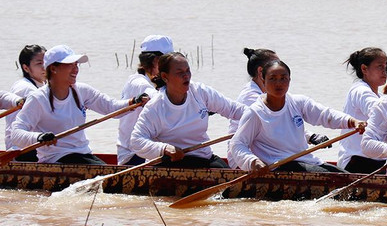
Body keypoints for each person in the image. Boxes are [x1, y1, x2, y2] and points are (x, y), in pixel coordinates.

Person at [11, 45, 147, 165]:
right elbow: (16, 133)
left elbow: (111, 107)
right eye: (70, 65)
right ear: (53, 69)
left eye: (76, 65)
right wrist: (38, 137)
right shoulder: (38, 98)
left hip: (83, 154)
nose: (76, 69)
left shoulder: (82, 90)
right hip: (55, 158)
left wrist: (134, 102)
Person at [230, 59, 366, 173]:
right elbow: (237, 144)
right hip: (278, 166)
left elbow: (325, 115)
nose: (279, 83)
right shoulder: (255, 113)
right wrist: (253, 162)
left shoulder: (298, 102)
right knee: (340, 181)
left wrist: (352, 121)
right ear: (263, 80)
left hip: (305, 160)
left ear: (290, 80)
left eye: (283, 78)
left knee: (345, 176)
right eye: (272, 79)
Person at [131, 52, 246, 168]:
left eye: (188, 71)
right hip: (169, 163)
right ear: (165, 77)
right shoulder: (155, 107)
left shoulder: (200, 91)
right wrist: (164, 148)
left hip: (202, 158)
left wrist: (260, 114)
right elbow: (136, 140)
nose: (186, 76)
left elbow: (233, 109)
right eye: (180, 73)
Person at [116, 35, 174, 165]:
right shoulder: (138, 83)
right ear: (154, 60)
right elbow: (161, 101)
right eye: (167, 61)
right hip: (133, 155)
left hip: (151, 151)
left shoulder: (159, 82)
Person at [337, 47, 387, 173]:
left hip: (374, 160)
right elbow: (377, 111)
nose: (385, 70)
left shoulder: (380, 97)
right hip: (355, 162)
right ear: (364, 69)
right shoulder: (360, 90)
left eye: (386, 65)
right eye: (380, 66)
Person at [4, 45, 45, 160]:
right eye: (39, 63)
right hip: (21, 151)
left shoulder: (40, 85)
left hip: (33, 146)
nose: (45, 67)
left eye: (46, 62)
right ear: (26, 68)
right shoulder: (26, 89)